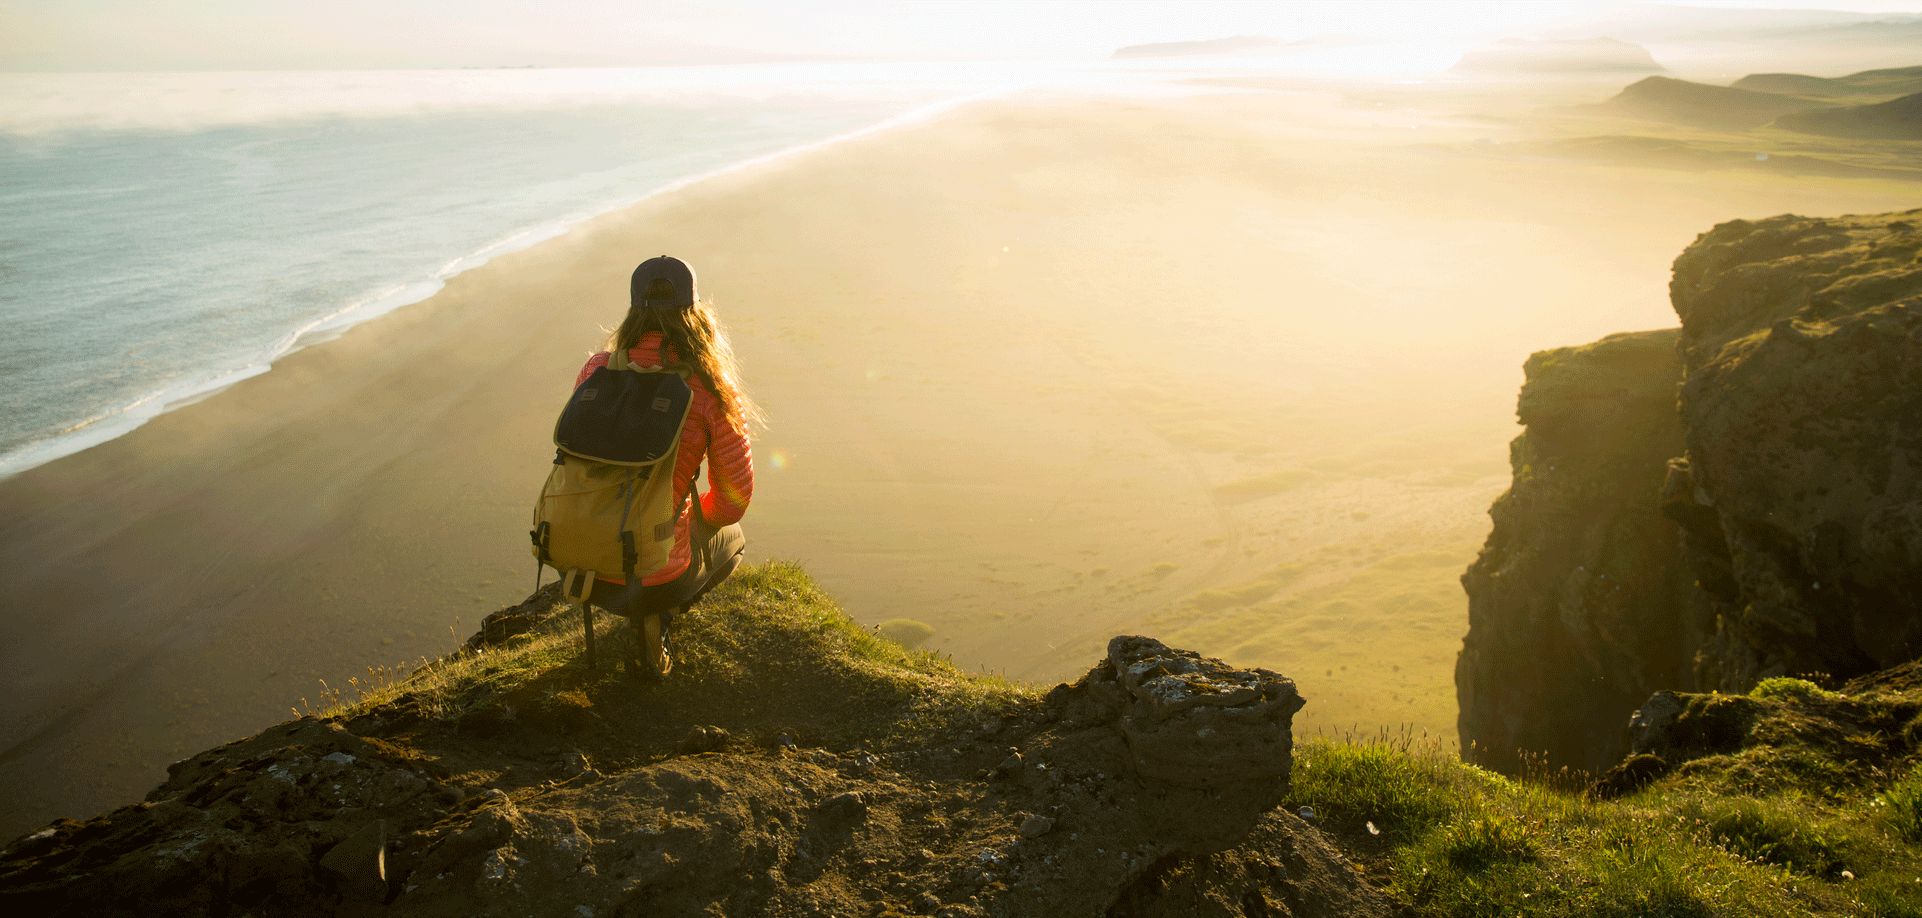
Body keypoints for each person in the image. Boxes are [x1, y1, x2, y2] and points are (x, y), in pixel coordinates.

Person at [578, 255, 756, 677]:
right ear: (694, 312)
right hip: (657, 575)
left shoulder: (597, 370)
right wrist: (698, 520)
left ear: (633, 310)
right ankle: (662, 615)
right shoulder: (708, 386)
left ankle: (639, 612)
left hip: (587, 561)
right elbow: (735, 497)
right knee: (733, 537)